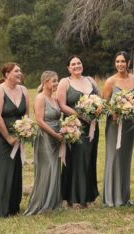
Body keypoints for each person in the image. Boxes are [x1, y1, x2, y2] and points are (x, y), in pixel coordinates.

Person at [0, 62, 29, 217]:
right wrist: (8, 138)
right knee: (2, 169)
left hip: (18, 135)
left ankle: (13, 206)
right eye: (16, 71)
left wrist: (24, 131)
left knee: (15, 169)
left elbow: (26, 115)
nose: (20, 73)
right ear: (7, 74)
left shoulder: (23, 90)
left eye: (20, 70)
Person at [56, 55, 100, 206]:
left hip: (92, 126)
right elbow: (61, 105)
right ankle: (74, 197)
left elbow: (99, 101)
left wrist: (95, 112)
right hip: (74, 126)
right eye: (73, 64)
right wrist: (80, 115)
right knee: (77, 159)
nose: (77, 66)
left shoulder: (91, 80)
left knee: (90, 158)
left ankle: (88, 195)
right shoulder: (64, 82)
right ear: (68, 68)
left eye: (79, 63)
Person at [102, 51, 134, 207]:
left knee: (125, 159)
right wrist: (113, 112)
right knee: (113, 157)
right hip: (114, 125)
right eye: (117, 61)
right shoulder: (110, 82)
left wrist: (133, 108)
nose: (120, 64)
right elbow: (103, 104)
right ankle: (111, 197)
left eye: (123, 61)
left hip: (129, 125)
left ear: (129, 63)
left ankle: (124, 197)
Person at [25, 71, 63, 215]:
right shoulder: (40, 98)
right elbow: (39, 121)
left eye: (57, 80)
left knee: (55, 167)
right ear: (45, 82)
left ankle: (52, 201)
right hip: (46, 138)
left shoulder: (54, 98)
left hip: (57, 137)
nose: (56, 83)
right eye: (53, 81)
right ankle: (41, 203)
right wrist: (54, 134)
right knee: (46, 168)